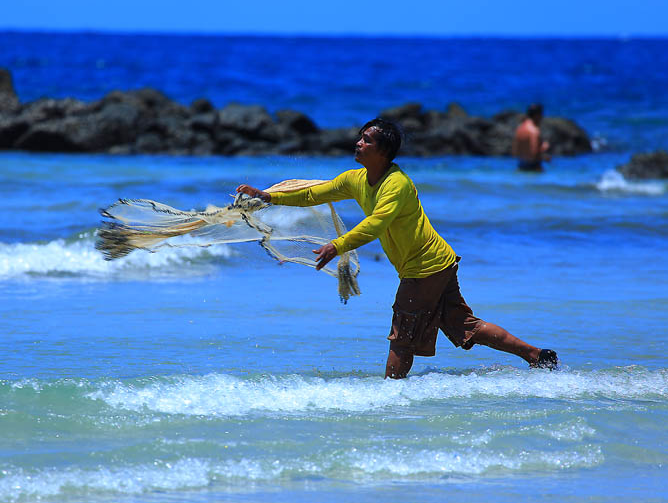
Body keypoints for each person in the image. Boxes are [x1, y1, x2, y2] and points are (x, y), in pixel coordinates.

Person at [237, 118, 558, 378]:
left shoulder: (397, 184)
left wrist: (338, 245)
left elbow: (377, 223)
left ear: (384, 151)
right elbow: (313, 194)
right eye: (360, 138)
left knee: (402, 336)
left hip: (424, 268)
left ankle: (390, 397)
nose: (358, 143)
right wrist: (268, 196)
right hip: (438, 262)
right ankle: (536, 356)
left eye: (367, 140)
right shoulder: (356, 179)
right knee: (465, 326)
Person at [512, 103, 551, 172]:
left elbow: (515, 152)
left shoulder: (520, 128)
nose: (542, 118)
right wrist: (543, 149)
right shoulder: (534, 131)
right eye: (541, 115)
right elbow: (534, 153)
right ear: (537, 115)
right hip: (533, 167)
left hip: (521, 166)